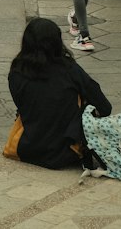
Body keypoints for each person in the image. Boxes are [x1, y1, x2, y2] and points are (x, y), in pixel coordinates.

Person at [8, 17, 111, 169]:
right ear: (56, 42)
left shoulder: (16, 71)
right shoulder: (69, 69)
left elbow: (22, 105)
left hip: (27, 149)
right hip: (67, 153)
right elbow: (105, 107)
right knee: (85, 99)